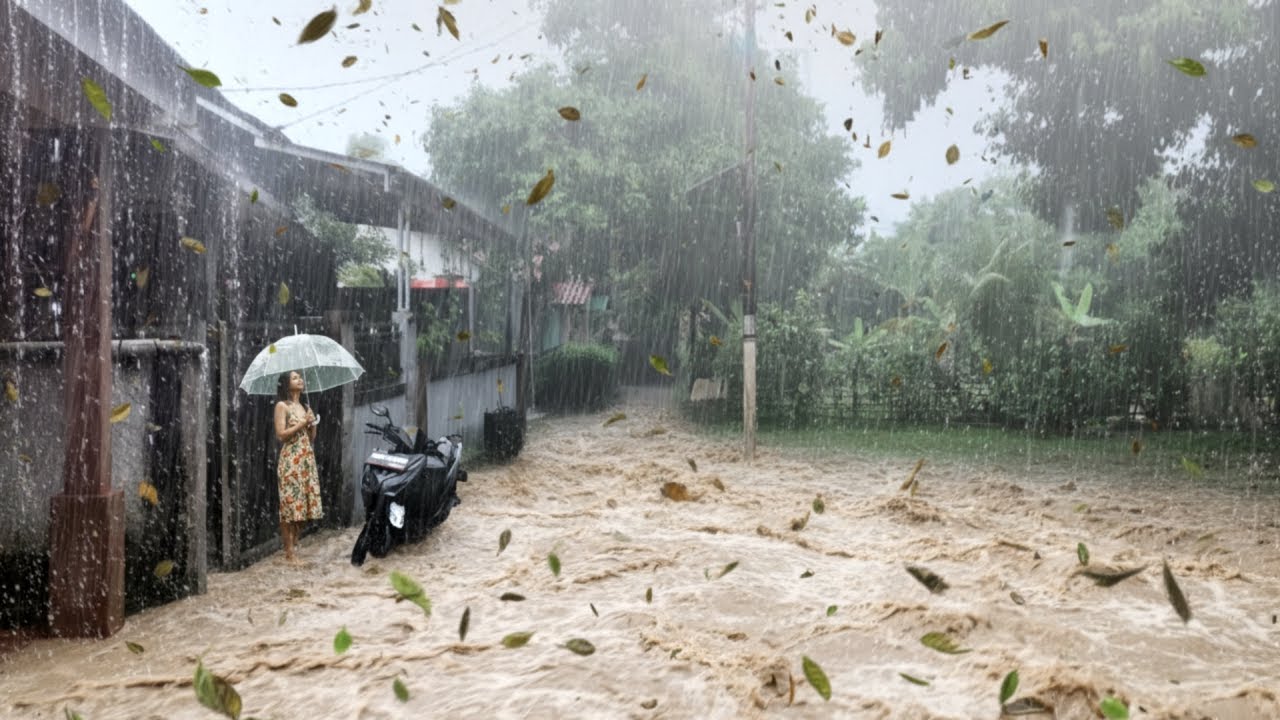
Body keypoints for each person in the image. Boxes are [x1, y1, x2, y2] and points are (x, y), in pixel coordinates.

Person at [274, 371, 323, 562]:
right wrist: (301, 423)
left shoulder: (305, 407)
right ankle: (290, 553)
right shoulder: (282, 406)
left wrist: (312, 424)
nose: (300, 380)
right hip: (290, 462)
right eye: (295, 378)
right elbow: (281, 434)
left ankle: (293, 545)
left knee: (304, 508)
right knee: (290, 508)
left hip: (305, 461)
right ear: (287, 384)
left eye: (300, 377)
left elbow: (311, 438)